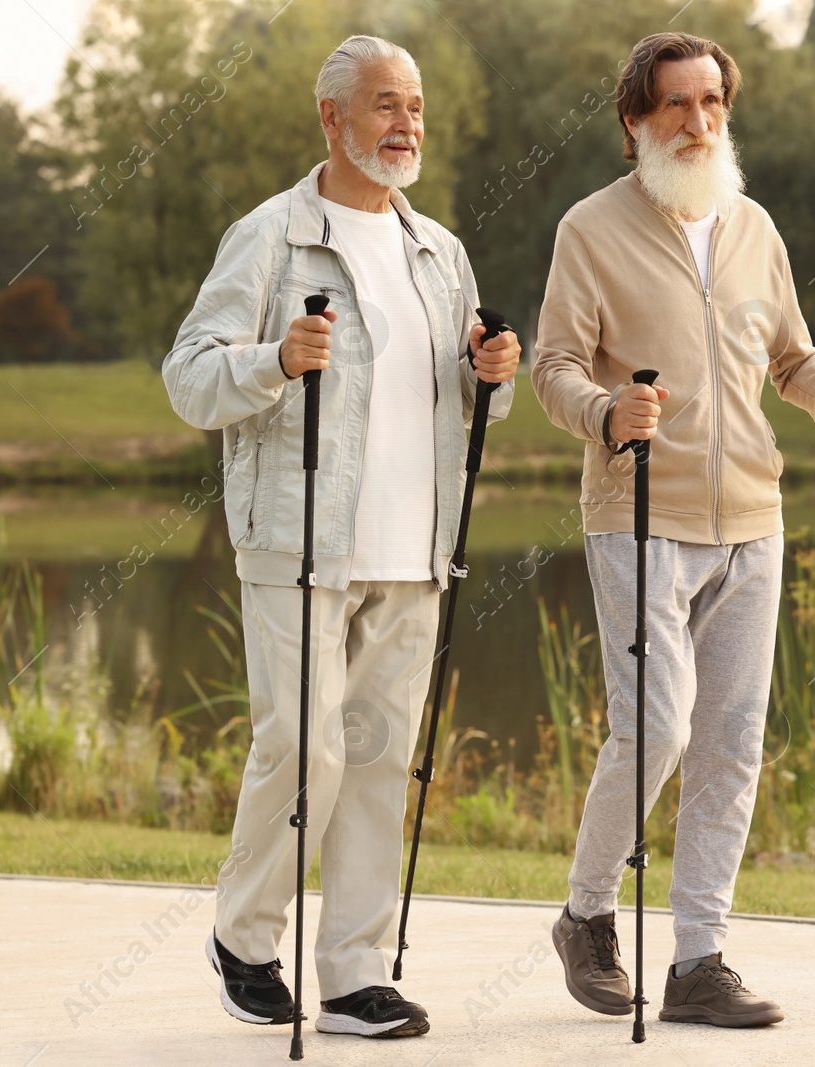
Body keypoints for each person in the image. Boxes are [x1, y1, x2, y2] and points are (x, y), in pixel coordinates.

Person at [531, 31, 815, 1029]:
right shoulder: (590, 229)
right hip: (640, 511)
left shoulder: (751, 226)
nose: (696, 124)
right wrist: (608, 410)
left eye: (710, 104)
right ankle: (586, 911)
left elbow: (791, 360)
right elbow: (553, 364)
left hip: (752, 518)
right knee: (655, 725)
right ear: (634, 123)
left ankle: (698, 958)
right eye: (673, 107)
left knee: (732, 741)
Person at [161, 34, 519, 1040]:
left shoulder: (438, 251)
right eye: (380, 104)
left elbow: (437, 397)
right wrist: (273, 358)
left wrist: (489, 373)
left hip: (414, 548)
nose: (403, 123)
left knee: (375, 758)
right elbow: (190, 376)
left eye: (412, 105)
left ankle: (356, 970)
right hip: (300, 541)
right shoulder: (271, 237)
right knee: (302, 744)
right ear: (331, 119)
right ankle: (244, 936)